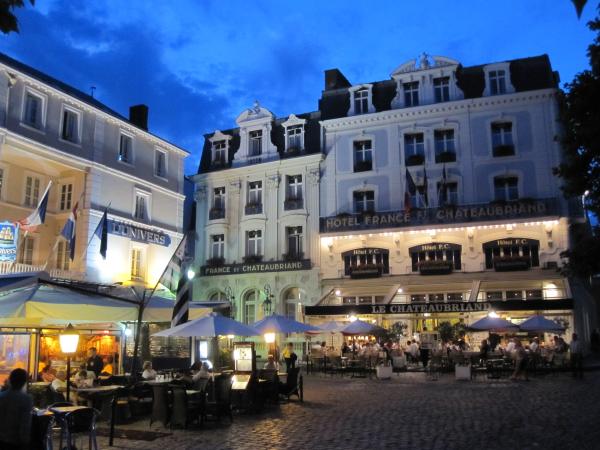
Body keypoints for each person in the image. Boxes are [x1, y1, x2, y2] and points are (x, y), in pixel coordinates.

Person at [0, 368, 33, 450]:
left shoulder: (2, 396)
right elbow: (25, 423)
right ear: (24, 382)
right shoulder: (26, 399)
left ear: (10, 380)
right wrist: (25, 441)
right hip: (15, 440)